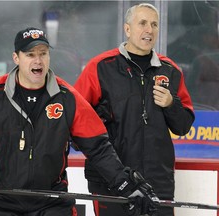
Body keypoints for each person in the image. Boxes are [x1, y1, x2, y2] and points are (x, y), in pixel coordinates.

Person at [0, 27, 159, 216]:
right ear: (16, 58)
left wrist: (126, 185)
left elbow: (99, 148)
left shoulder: (68, 98)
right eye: (30, 54)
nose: (38, 60)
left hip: (51, 204)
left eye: (43, 53)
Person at [74, 3, 195, 216]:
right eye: (143, 23)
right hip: (111, 180)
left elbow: (183, 126)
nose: (149, 29)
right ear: (127, 29)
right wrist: (100, 125)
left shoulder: (171, 71)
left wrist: (171, 104)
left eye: (154, 24)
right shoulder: (100, 67)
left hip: (157, 181)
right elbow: (74, 122)